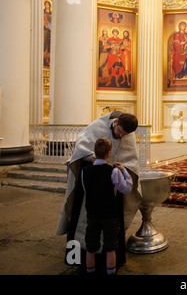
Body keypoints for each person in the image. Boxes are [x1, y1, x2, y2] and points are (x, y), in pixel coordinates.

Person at [57, 111, 141, 274]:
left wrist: (124, 169)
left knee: (107, 235)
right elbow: (80, 150)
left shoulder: (127, 134)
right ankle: (79, 260)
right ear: (116, 122)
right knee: (86, 226)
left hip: (111, 192)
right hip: (94, 192)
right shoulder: (96, 127)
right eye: (119, 132)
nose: (121, 135)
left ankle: (97, 266)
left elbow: (132, 160)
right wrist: (92, 157)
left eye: (125, 134)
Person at [83, 137, 133, 275]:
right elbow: (126, 189)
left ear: (94, 152)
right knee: (110, 247)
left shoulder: (85, 172)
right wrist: (124, 171)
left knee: (91, 247)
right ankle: (111, 272)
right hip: (109, 214)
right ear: (109, 153)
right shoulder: (113, 171)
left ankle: (90, 271)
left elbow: (87, 190)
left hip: (92, 214)